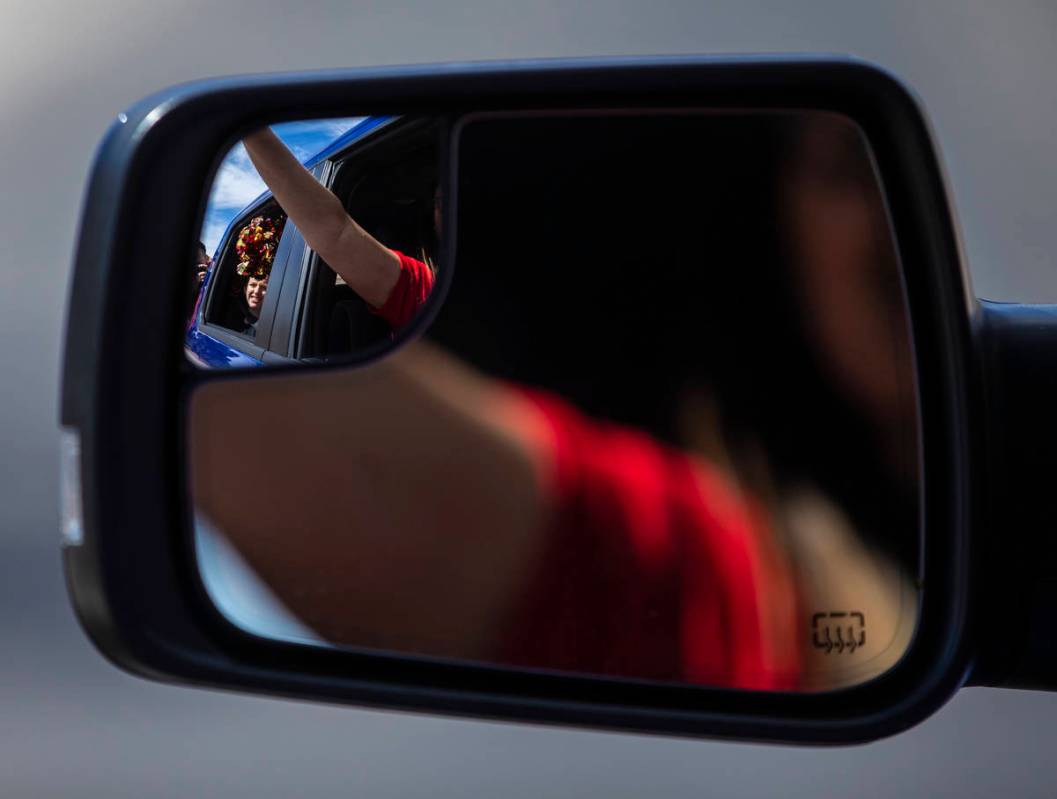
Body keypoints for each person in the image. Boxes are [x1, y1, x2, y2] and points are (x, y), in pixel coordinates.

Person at [242, 129, 434, 333]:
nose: (257, 291)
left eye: (264, 286)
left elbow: (336, 233)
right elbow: (336, 232)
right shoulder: (424, 290)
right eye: (441, 202)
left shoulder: (425, 293)